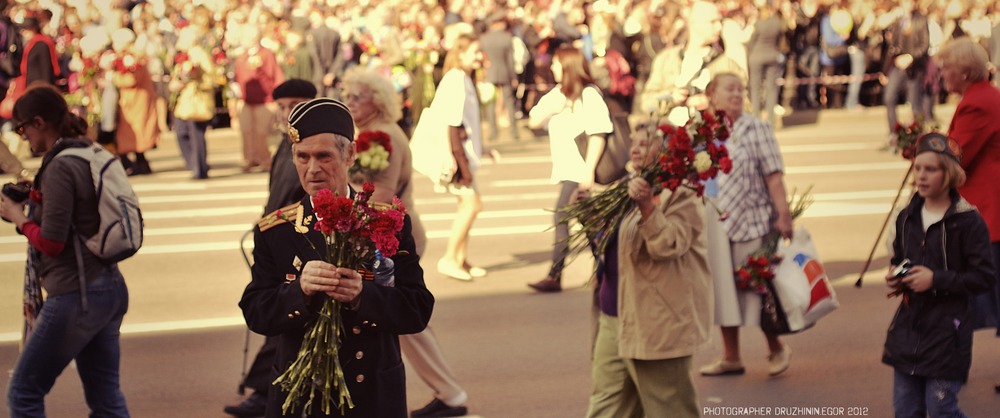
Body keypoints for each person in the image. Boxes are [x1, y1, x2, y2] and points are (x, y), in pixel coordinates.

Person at [239, 97, 434, 418]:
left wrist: (364, 296)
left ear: (350, 155)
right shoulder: (277, 230)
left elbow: (417, 310)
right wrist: (297, 291)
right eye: (302, 157)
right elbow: (257, 315)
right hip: (300, 398)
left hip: (370, 393)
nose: (312, 169)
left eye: (324, 156)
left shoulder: (385, 221)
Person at [342, 67, 468, 418]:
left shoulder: (379, 137)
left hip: (388, 236)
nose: (349, 102)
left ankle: (450, 393)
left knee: (401, 317)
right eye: (347, 96)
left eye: (357, 97)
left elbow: (379, 193)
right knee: (404, 322)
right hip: (394, 231)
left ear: (377, 101)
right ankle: (449, 392)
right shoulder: (377, 131)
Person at [2, 85, 130, 417]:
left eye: (22, 128)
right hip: (108, 287)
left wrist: (18, 218)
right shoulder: (87, 150)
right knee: (106, 398)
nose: (23, 136)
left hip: (77, 294)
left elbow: (51, 243)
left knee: (23, 392)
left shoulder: (59, 165)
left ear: (40, 122)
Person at [585, 122, 712, 418]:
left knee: (670, 409)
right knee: (606, 408)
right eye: (635, 142)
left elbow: (668, 246)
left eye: (646, 142)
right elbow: (611, 248)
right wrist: (591, 218)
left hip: (656, 323)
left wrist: (647, 208)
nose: (636, 148)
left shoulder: (682, 194)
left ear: (667, 151)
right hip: (614, 317)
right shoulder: (625, 186)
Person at [883, 132, 995, 417]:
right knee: (907, 410)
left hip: (949, 333)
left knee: (942, 408)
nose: (921, 176)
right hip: (909, 330)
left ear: (949, 173)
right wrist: (896, 275)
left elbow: (984, 277)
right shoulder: (906, 217)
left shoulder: (968, 221)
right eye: (917, 168)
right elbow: (900, 258)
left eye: (930, 169)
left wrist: (936, 280)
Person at [224, 78, 315, 418]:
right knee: (277, 314)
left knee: (284, 319)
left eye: (293, 104)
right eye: (281, 105)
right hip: (276, 241)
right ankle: (266, 391)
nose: (286, 111)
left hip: (298, 244)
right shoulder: (285, 143)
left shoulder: (310, 145)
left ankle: (264, 392)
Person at [698, 72, 794, 377]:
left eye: (740, 89)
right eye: (730, 89)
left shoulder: (757, 128)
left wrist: (784, 214)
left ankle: (776, 347)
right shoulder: (702, 131)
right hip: (714, 219)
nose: (738, 94)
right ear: (712, 95)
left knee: (757, 285)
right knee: (723, 289)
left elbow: (774, 176)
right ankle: (731, 357)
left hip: (751, 219)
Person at [934, 36, 1000, 391]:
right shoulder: (981, 97)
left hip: (988, 213)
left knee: (971, 296)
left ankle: (950, 369)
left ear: (965, 70)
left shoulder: (978, 103)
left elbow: (957, 158)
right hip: (987, 211)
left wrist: (926, 154)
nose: (942, 71)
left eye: (946, 65)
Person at [527, 45, 613, 293]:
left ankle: (555, 275)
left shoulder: (589, 95)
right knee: (590, 225)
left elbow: (599, 135)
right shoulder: (558, 94)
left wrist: (588, 171)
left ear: (567, 66)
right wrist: (553, 108)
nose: (552, 67)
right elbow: (533, 120)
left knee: (562, 216)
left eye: (556, 63)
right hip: (567, 169)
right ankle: (606, 271)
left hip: (579, 171)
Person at [413, 33, 487, 282]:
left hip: (463, 152)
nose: (479, 57)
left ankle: (461, 259)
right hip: (457, 155)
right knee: (472, 205)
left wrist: (483, 148)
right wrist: (452, 157)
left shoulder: (463, 78)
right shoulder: (456, 79)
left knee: (465, 205)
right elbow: (450, 121)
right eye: (475, 52)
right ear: (461, 53)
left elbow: (466, 122)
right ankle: (449, 258)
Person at [641, 1, 744, 126]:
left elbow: (744, 107)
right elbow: (646, 102)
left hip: (709, 139)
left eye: (720, 22)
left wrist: (711, 103)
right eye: (712, 22)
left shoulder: (727, 65)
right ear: (694, 24)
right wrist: (672, 98)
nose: (719, 27)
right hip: (668, 138)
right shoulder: (666, 59)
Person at [234, 25, 284, 173]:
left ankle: (265, 160)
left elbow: (276, 75)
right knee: (247, 130)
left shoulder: (266, 54)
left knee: (263, 132)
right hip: (246, 100)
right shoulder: (242, 56)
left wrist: (278, 98)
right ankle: (249, 159)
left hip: (265, 100)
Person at [109, 28, 159, 176]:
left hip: (136, 101)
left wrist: (114, 77)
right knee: (133, 132)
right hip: (135, 100)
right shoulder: (131, 56)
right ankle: (140, 162)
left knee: (135, 132)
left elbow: (132, 79)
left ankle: (139, 163)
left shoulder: (132, 57)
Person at [171, 26, 216, 180]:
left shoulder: (198, 53)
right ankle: (194, 164)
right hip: (186, 99)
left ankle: (199, 168)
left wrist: (195, 77)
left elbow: (211, 74)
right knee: (181, 132)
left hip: (197, 100)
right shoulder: (185, 55)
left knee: (196, 134)